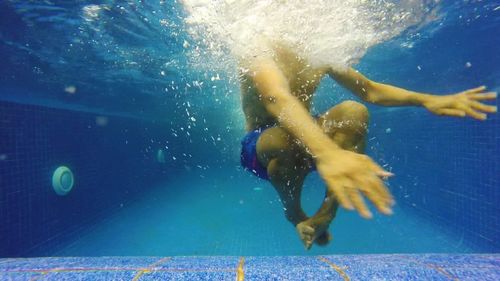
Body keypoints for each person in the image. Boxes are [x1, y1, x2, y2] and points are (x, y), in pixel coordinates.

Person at [239, 42, 497, 250]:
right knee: (282, 138)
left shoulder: (317, 50)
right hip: (262, 147)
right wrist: (328, 153)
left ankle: (325, 215)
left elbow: (370, 91)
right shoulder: (258, 48)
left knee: (353, 111)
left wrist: (428, 100)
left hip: (310, 141)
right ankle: (295, 215)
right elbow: (276, 97)